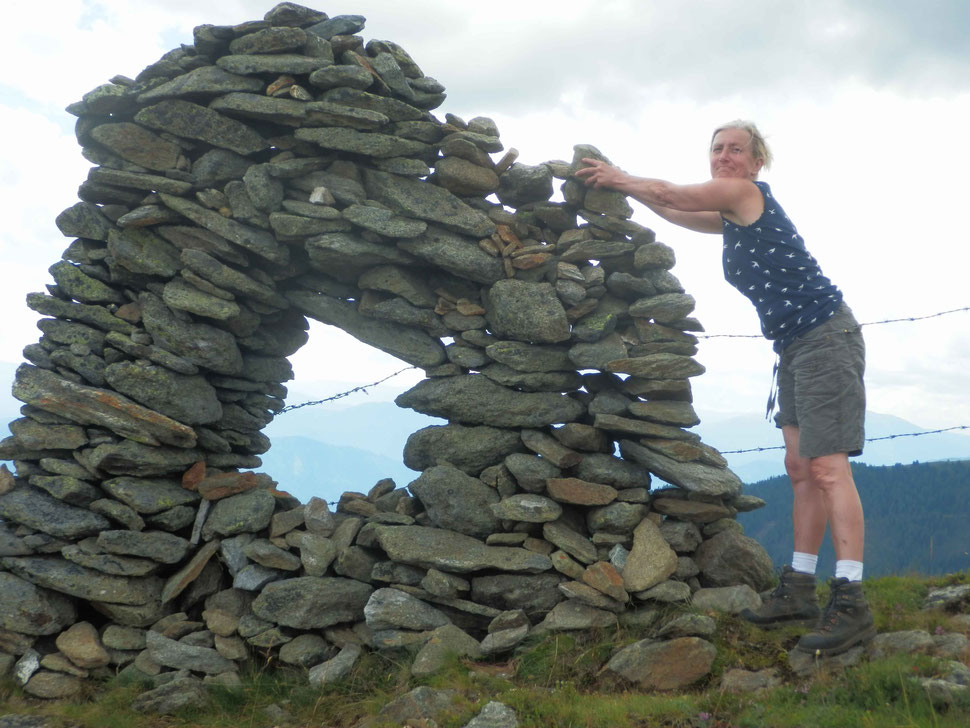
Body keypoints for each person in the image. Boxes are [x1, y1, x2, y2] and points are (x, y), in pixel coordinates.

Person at [574, 121, 874, 656]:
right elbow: (668, 208)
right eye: (717, 150)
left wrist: (620, 177)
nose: (724, 157)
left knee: (828, 468)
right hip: (795, 346)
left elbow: (667, 192)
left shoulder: (745, 194)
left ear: (756, 162)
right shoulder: (730, 217)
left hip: (826, 337)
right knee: (801, 468)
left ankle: (852, 602)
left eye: (736, 149)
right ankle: (800, 589)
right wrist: (626, 191)